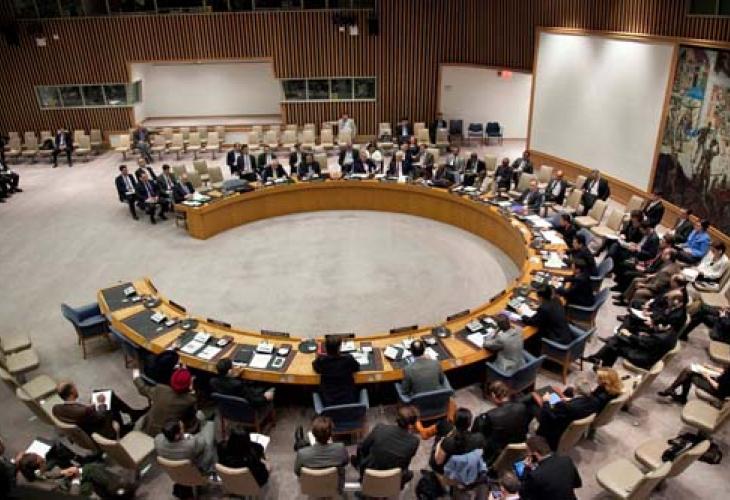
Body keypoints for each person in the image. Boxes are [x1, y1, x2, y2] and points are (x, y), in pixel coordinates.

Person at [52, 381, 145, 440]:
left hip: (89, 422)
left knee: (97, 393)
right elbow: (101, 416)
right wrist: (100, 403)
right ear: (72, 391)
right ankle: (123, 428)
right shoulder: (83, 411)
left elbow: (77, 411)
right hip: (102, 429)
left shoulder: (56, 409)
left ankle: (132, 413)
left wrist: (90, 406)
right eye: (75, 387)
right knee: (109, 399)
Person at [353, 405, 420, 485]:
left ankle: (360, 468)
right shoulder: (414, 441)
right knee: (410, 474)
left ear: (397, 419)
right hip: (394, 479)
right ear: (412, 424)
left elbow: (364, 448)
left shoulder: (380, 428)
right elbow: (406, 462)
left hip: (369, 473)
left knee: (360, 446)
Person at [472, 381, 530, 464]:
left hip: (498, 454)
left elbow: (478, 438)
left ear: (493, 395)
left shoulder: (490, 416)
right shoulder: (523, 407)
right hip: (519, 448)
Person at [133, 367, 196, 437]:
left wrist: (136, 377)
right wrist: (192, 392)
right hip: (167, 435)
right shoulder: (189, 400)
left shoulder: (161, 389)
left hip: (148, 429)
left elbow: (143, 389)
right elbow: (190, 421)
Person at [294, 416, 349, 491]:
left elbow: (297, 471)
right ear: (331, 434)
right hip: (335, 486)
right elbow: (345, 462)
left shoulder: (302, 453)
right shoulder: (340, 448)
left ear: (313, 434)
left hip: (311, 488)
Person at [519, 435, 582, 500]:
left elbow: (523, 494)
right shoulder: (566, 460)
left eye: (528, 452)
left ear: (535, 454)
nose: (527, 455)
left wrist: (527, 469)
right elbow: (577, 484)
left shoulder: (535, 475)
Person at [430, 408, 486, 475]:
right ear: (470, 423)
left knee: (438, 439)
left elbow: (438, 462)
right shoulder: (479, 438)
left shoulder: (447, 442)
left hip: (447, 471)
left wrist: (439, 443)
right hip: (465, 469)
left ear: (454, 422)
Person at [312, 335, 360, 406]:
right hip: (349, 400)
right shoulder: (348, 359)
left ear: (326, 348)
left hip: (328, 401)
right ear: (339, 348)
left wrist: (318, 358)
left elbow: (316, 368)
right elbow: (357, 368)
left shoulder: (322, 360)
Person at [209, 358, 274, 407]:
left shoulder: (213, 381)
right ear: (229, 371)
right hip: (245, 409)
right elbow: (254, 401)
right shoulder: (238, 385)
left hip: (227, 407)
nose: (235, 367)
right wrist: (265, 398)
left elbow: (227, 385)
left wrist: (235, 376)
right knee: (270, 386)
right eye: (233, 366)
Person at [658, 363, 730, 405]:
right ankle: (677, 393)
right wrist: (711, 367)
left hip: (718, 392)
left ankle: (678, 394)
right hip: (718, 380)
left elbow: (719, 387)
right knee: (689, 369)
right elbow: (724, 371)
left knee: (689, 374)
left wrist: (707, 377)